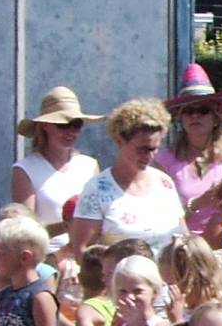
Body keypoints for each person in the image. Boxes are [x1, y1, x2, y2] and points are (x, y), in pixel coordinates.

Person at [67, 99, 186, 252]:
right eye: (142, 149)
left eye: (154, 149)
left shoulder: (165, 183)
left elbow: (183, 236)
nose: (149, 156)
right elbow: (83, 250)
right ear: (120, 141)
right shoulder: (96, 190)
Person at [156, 63, 222, 234]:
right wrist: (197, 204)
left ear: (216, 118)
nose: (195, 115)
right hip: (181, 245)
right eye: (188, 111)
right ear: (181, 118)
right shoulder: (163, 161)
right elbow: (159, 215)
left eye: (203, 110)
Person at [10, 86, 100, 236]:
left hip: (84, 254)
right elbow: (24, 231)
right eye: (63, 125)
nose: (71, 132)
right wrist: (66, 226)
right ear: (45, 126)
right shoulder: (25, 169)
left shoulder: (90, 166)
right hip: (45, 254)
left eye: (76, 125)